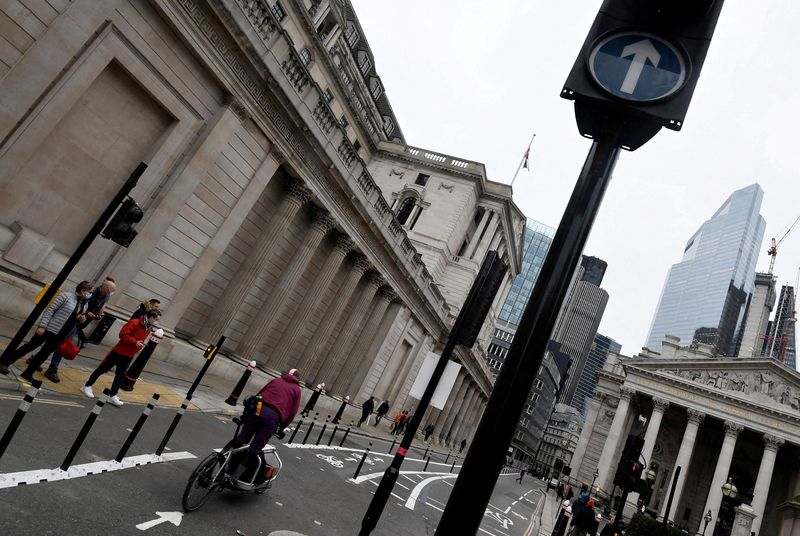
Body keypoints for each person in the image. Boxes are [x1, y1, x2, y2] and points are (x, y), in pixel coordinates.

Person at [32, 277, 117, 383]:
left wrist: (99, 314)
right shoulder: (91, 292)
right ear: (106, 289)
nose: (110, 293)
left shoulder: (106, 295)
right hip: (73, 322)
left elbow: (102, 305)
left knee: (55, 344)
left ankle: (35, 359)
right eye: (111, 291)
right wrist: (87, 313)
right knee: (63, 345)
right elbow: (81, 305)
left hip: (81, 322)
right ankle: (51, 369)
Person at [0, 281, 93, 378]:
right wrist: (42, 326)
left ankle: (28, 373)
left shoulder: (84, 304)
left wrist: (82, 319)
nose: (90, 294)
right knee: (29, 346)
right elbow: (50, 310)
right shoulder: (65, 296)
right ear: (83, 291)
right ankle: (5, 363)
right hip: (48, 329)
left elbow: (81, 319)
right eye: (90, 292)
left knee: (44, 354)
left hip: (61, 335)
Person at [229, 368, 301, 482]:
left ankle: (223, 457)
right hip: (273, 417)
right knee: (255, 449)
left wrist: (248, 412)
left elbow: (259, 395)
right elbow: (292, 413)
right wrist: (282, 427)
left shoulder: (276, 381)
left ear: (286, 374)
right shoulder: (296, 390)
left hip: (258, 409)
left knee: (242, 439)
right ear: (297, 379)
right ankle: (235, 476)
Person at [80, 309, 161, 406]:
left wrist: (138, 346)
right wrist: (134, 342)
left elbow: (142, 339)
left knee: (120, 375)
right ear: (151, 317)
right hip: (119, 352)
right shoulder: (135, 322)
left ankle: (112, 394)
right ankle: (87, 386)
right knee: (102, 369)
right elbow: (122, 334)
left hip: (129, 355)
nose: (157, 322)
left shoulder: (148, 327)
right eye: (156, 319)